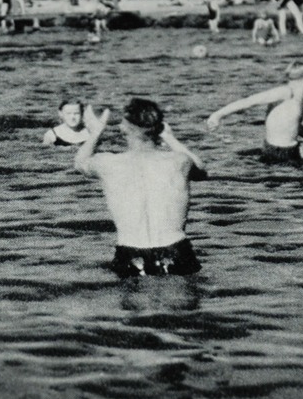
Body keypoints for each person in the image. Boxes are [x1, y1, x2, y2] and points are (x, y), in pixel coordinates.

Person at [75, 98, 207, 278]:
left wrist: (96, 132)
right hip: (175, 250)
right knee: (183, 303)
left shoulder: (107, 163)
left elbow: (80, 163)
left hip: (131, 253)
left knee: (133, 303)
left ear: (123, 128)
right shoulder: (179, 161)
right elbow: (201, 169)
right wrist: (169, 137)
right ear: (157, 128)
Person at [205, 64, 303, 165]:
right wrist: (218, 115)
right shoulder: (285, 92)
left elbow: (292, 125)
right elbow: (249, 101)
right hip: (277, 153)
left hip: (292, 151)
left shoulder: (298, 100)